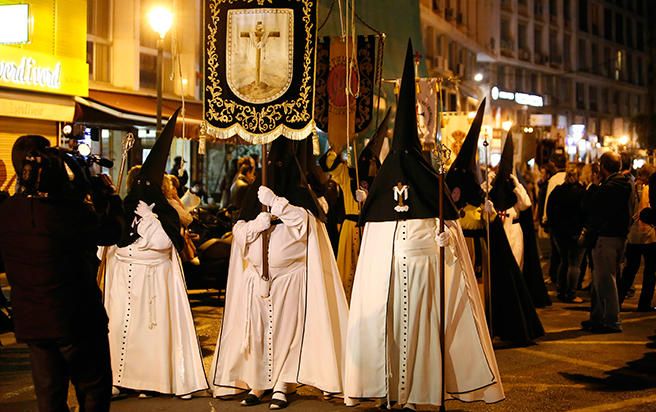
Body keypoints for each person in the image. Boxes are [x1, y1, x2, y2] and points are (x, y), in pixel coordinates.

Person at [344, 42, 504, 410]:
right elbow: (371, 252)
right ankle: (386, 393)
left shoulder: (430, 189)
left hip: (421, 283)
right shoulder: (383, 196)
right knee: (386, 336)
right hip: (387, 286)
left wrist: (446, 238)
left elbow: (450, 241)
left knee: (419, 336)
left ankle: (418, 395)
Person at [209, 137, 349, 410]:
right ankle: (259, 382)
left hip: (289, 278)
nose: (276, 170)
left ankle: (284, 383)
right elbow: (238, 232)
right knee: (259, 334)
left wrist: (277, 204)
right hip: (257, 281)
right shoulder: (253, 194)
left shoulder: (298, 196)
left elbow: (306, 225)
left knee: (287, 332)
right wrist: (255, 226)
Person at [0, 135, 124, 412]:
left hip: (33, 324)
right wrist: (110, 198)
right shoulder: (70, 212)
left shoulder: (7, 212)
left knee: (49, 396)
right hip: (77, 320)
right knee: (93, 390)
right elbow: (112, 232)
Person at [102, 109, 208, 398]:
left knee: (151, 334)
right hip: (125, 281)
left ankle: (154, 381)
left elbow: (165, 243)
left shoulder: (162, 212)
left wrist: (150, 220)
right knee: (124, 331)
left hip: (153, 282)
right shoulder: (125, 206)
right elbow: (112, 239)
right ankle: (120, 378)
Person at [446, 101, 544, 345]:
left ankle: (488, 323)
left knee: (490, 283)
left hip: (483, 238)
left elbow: (493, 202)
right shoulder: (459, 176)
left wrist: (484, 207)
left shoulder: (476, 178)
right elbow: (455, 202)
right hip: (462, 238)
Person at [490, 134, 551, 308]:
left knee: (517, 265)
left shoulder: (515, 192)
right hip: (500, 231)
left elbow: (526, 204)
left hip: (514, 231)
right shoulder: (493, 191)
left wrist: (516, 185)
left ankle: (517, 300)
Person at [581, 151, 634, 333]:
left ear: (603, 167)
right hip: (617, 236)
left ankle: (611, 320)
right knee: (601, 280)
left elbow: (590, 206)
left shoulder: (612, 186)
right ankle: (597, 317)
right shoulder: (625, 183)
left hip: (607, 237)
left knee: (606, 281)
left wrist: (594, 186)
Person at [546, 164, 586, 303]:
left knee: (563, 260)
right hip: (575, 231)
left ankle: (561, 290)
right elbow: (585, 213)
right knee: (574, 264)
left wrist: (553, 226)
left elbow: (550, 210)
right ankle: (571, 293)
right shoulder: (581, 192)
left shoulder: (557, 191)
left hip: (559, 232)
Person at [619, 165, 656, 311]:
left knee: (629, 270)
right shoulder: (649, 189)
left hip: (633, 235)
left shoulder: (631, 188)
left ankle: (618, 299)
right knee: (650, 271)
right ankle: (644, 304)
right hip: (650, 235)